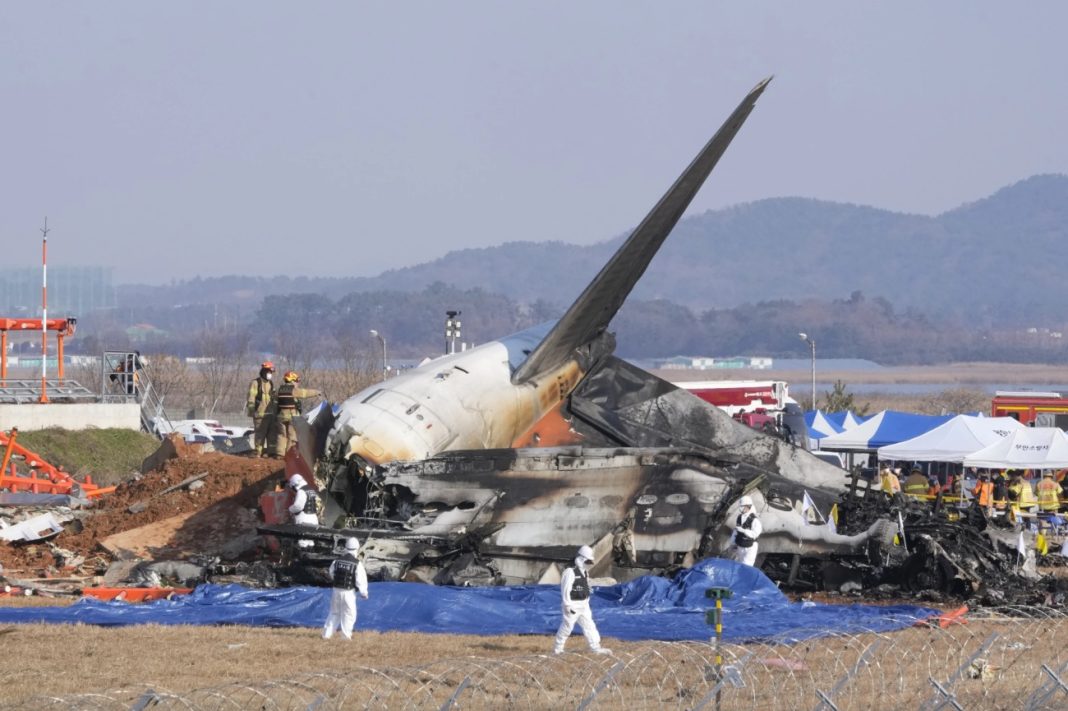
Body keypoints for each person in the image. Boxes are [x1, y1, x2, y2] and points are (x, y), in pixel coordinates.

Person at [552, 545, 611, 655]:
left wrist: (587, 597)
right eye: (587, 561)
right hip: (573, 605)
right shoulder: (570, 572)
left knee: (589, 625)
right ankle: (558, 649)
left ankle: (595, 648)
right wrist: (567, 605)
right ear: (581, 559)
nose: (588, 564)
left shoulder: (584, 572)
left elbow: (585, 585)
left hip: (584, 605)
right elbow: (565, 589)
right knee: (567, 627)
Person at [266, 371, 322, 458]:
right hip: (292, 417)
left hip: (281, 417)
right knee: (292, 436)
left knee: (281, 435)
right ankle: (289, 455)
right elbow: (305, 393)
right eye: (296, 381)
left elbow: (274, 402)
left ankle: (279, 454)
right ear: (291, 381)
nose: (297, 383)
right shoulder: (294, 391)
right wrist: (316, 392)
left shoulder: (278, 390)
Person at [322, 537, 369, 640]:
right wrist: (364, 593)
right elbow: (360, 580)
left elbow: (331, 573)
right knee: (349, 614)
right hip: (348, 592)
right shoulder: (357, 563)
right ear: (357, 548)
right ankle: (345, 636)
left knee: (334, 612)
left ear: (346, 547)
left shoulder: (336, 561)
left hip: (336, 591)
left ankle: (326, 635)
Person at [246, 361, 275, 457]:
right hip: (259, 415)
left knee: (271, 435)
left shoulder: (271, 383)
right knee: (260, 435)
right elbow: (251, 397)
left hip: (270, 414)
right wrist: (252, 411)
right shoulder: (255, 383)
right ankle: (258, 453)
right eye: (268, 372)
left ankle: (270, 453)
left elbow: (273, 398)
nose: (270, 374)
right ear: (263, 371)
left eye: (271, 373)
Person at [287, 473, 319, 548]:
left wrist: (290, 509)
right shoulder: (310, 489)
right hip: (314, 518)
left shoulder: (301, 491)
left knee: (302, 543)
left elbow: (298, 506)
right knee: (310, 542)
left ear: (295, 485)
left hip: (304, 519)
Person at [728, 495, 762, 567]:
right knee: (737, 565)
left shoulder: (754, 520)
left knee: (745, 567)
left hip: (750, 548)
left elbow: (755, 534)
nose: (741, 508)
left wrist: (744, 531)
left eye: (742, 506)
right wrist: (732, 543)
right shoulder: (740, 517)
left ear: (747, 506)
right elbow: (736, 531)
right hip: (740, 545)